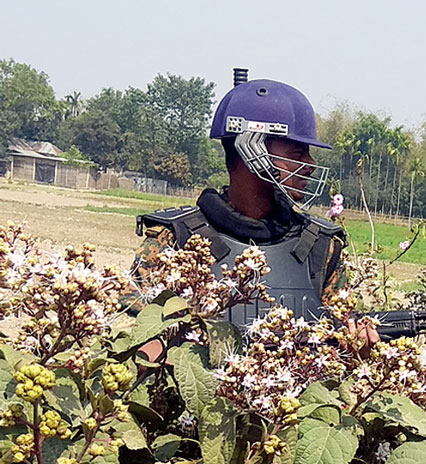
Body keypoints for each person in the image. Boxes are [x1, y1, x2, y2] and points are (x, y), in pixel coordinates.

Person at [129, 69, 379, 355]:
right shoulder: (173, 239)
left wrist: (356, 349)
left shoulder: (321, 248)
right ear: (252, 148)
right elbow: (138, 343)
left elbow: (340, 340)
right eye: (298, 153)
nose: (310, 164)